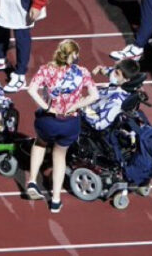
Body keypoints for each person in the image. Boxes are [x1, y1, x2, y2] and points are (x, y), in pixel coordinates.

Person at [25, 39, 100, 213]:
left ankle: (33, 181)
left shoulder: (46, 70)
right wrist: (75, 106)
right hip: (69, 122)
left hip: (48, 120)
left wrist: (46, 107)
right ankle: (56, 200)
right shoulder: (82, 72)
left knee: (40, 143)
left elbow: (31, 89)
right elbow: (94, 95)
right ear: (74, 55)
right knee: (60, 156)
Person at [83, 59, 141, 130]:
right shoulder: (125, 85)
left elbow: (99, 124)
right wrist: (102, 69)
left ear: (127, 79)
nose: (113, 74)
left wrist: (82, 108)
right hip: (93, 103)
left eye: (116, 73)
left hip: (88, 116)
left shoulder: (116, 102)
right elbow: (113, 72)